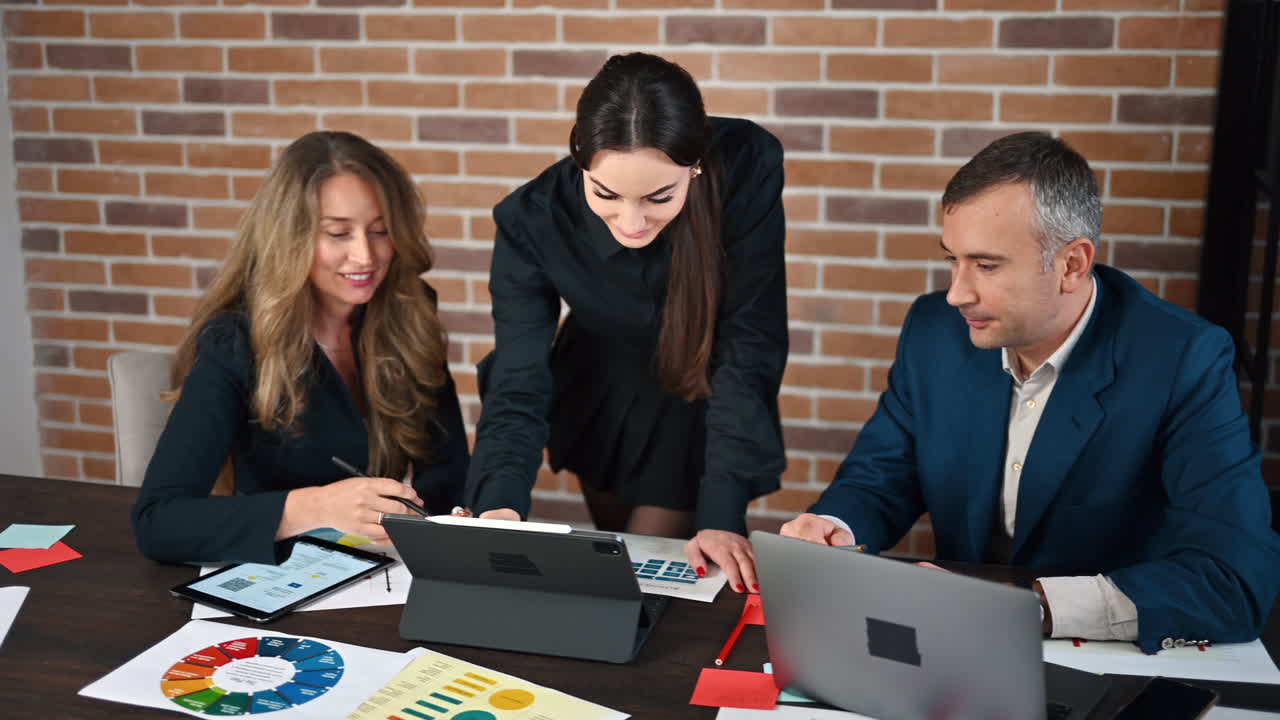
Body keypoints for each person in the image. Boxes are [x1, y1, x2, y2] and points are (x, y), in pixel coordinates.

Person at [780, 132, 1280, 653]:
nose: (957, 292)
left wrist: (1028, 608)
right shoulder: (936, 330)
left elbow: (1236, 583)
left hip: (1108, 658)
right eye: (952, 259)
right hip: (955, 647)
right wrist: (833, 528)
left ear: (1072, 265)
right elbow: (883, 477)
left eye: (987, 265)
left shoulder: (1184, 358)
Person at [464, 52, 788, 593]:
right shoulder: (533, 217)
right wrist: (498, 503)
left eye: (659, 197)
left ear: (696, 165)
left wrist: (722, 515)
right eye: (606, 195)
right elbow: (518, 374)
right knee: (620, 566)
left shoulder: (746, 166)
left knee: (665, 580)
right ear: (581, 161)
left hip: (698, 381)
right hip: (598, 391)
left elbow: (749, 340)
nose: (631, 222)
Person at [132, 131, 469, 565]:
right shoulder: (235, 341)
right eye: (338, 234)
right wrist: (312, 508)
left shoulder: (411, 311)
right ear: (291, 238)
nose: (365, 256)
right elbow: (159, 522)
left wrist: (452, 519)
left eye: (380, 231)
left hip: (386, 574)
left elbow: (446, 471)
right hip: (279, 578)